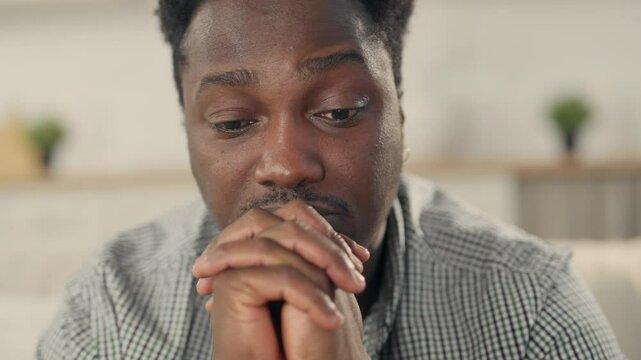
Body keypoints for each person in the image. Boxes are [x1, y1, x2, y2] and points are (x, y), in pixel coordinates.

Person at [38, 0, 623, 359]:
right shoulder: (111, 310)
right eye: (234, 121)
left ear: (399, 106)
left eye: (339, 110)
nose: (287, 165)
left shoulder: (529, 306)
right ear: (189, 132)